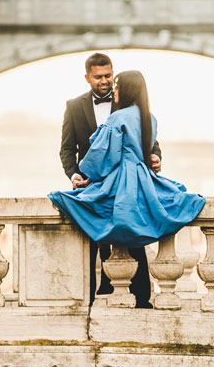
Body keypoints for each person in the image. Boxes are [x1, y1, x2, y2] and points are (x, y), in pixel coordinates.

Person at [50, 70, 205, 296]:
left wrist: (86, 175)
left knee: (78, 205)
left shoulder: (117, 118)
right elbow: (148, 148)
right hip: (142, 178)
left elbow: (104, 157)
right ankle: (141, 294)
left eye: (117, 86)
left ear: (127, 90)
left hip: (122, 176)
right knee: (136, 228)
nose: (113, 90)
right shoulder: (149, 117)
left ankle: (100, 290)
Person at [58, 53, 161, 307]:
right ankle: (91, 296)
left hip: (116, 183)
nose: (105, 82)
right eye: (99, 77)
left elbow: (150, 145)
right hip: (99, 182)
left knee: (130, 237)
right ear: (87, 77)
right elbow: (67, 149)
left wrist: (155, 156)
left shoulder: (122, 106)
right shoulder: (74, 106)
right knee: (94, 241)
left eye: (109, 76)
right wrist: (75, 175)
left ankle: (140, 297)